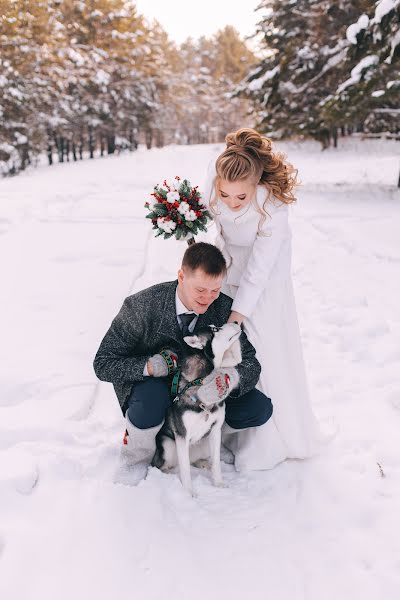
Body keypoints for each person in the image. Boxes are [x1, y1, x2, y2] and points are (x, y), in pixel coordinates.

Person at [203, 127, 323, 470]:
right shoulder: (218, 172)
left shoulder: (273, 207)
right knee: (226, 354)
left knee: (259, 346)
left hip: (266, 281)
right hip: (228, 270)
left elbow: (258, 271)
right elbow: (211, 222)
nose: (230, 202)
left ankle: (268, 441)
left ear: (256, 186)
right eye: (224, 195)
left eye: (240, 198)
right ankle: (224, 427)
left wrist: (237, 316)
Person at [93, 242, 273, 466]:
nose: (208, 298)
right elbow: (103, 363)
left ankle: (202, 441)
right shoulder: (141, 306)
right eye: (200, 289)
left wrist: (228, 380)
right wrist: (149, 366)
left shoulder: (224, 308)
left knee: (258, 408)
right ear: (181, 276)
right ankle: (137, 455)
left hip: (202, 390)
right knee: (149, 403)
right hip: (154, 388)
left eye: (215, 290)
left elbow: (250, 363)